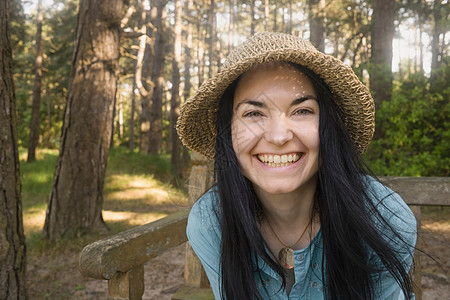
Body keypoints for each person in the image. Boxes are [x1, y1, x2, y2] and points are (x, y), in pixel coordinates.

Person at [176, 32, 417, 300]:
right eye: (253, 113)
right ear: (227, 132)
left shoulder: (385, 219)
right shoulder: (211, 221)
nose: (279, 137)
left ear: (328, 127)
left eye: (302, 111)